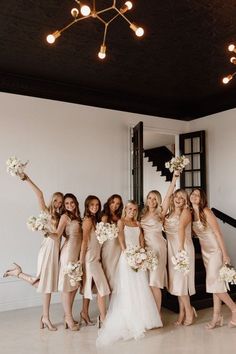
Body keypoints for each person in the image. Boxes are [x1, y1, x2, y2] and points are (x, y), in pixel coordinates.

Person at [96, 200, 162, 347]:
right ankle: (129, 318)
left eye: (134, 209)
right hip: (127, 258)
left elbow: (141, 240)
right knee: (128, 288)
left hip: (139, 257)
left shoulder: (137, 224)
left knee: (141, 288)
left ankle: (144, 319)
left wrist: (142, 253)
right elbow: (121, 239)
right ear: (125, 209)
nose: (132, 211)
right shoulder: (121, 222)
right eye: (130, 209)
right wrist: (128, 254)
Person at [3, 173, 63, 331]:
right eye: (56, 200)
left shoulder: (62, 216)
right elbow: (39, 194)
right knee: (47, 285)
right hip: (47, 248)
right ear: (52, 199)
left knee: (45, 284)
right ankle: (46, 317)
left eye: (60, 202)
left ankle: (18, 273)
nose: (57, 203)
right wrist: (27, 178)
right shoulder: (45, 211)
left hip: (55, 250)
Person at [190, 188, 236, 329]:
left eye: (197, 195)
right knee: (215, 284)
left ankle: (234, 309)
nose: (194, 196)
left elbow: (218, 233)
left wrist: (225, 254)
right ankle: (216, 317)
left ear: (202, 198)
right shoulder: (191, 214)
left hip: (215, 250)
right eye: (193, 194)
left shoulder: (206, 211)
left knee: (213, 282)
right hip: (205, 253)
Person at [162, 173, 196, 326]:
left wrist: (181, 250)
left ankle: (189, 311)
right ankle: (182, 312)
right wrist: (174, 179)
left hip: (183, 249)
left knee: (181, 282)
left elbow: (181, 228)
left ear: (185, 201)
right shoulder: (167, 214)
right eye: (177, 196)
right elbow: (167, 197)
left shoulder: (186, 212)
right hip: (172, 250)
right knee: (177, 283)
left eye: (182, 198)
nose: (178, 199)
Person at [47, 193, 82, 331]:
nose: (69, 206)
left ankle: (68, 316)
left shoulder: (78, 217)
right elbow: (57, 235)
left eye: (71, 202)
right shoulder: (64, 217)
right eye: (66, 204)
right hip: (68, 253)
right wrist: (44, 231)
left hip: (77, 253)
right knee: (68, 287)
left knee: (74, 286)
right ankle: (68, 317)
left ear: (75, 202)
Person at [79, 195, 110, 327]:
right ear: (87, 206)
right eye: (92, 205)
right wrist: (81, 261)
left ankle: (84, 313)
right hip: (90, 258)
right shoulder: (87, 221)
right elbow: (84, 241)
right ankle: (103, 318)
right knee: (101, 288)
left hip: (96, 257)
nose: (95, 207)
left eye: (97, 205)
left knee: (89, 286)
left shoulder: (95, 220)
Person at [140, 190, 167, 312]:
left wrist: (175, 178)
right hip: (146, 249)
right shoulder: (142, 215)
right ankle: (150, 313)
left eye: (155, 198)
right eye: (149, 198)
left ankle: (158, 314)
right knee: (148, 282)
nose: (151, 201)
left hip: (158, 248)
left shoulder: (160, 213)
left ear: (158, 201)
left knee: (155, 282)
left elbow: (168, 196)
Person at [101, 194, 123, 292]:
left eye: (118, 204)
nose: (115, 205)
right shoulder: (104, 216)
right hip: (109, 249)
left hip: (118, 248)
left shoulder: (119, 216)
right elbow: (101, 234)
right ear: (109, 202)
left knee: (117, 277)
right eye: (113, 202)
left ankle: (113, 304)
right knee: (109, 275)